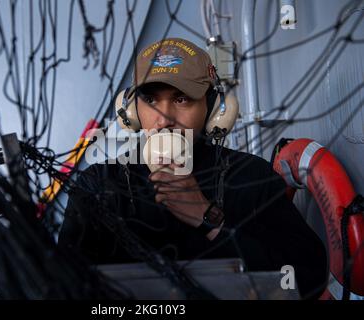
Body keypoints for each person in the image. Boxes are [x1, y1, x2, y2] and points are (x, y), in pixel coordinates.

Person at [58, 38, 328, 299]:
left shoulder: (249, 175)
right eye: (150, 100)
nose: (164, 119)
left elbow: (308, 279)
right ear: (130, 111)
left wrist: (209, 219)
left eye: (181, 99)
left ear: (213, 110)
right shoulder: (99, 182)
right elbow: (66, 284)